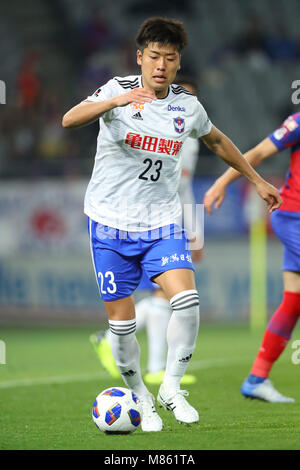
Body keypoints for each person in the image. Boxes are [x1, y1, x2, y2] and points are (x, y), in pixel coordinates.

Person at [62, 16, 282, 432]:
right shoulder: (116, 90)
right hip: (110, 224)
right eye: (155, 57)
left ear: (178, 63)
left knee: (187, 300)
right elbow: (69, 120)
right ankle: (140, 397)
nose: (161, 65)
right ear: (140, 58)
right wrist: (112, 104)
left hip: (162, 222)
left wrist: (256, 180)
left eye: (171, 58)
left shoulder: (187, 106)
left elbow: (216, 140)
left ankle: (171, 388)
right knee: (122, 326)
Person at [90, 76, 203, 386]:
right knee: (159, 297)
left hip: (170, 220)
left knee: (168, 297)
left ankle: (147, 362)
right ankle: (153, 366)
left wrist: (195, 230)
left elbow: (185, 188)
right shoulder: (151, 131)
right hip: (132, 220)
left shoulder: (187, 144)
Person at [203, 111, 300, 403]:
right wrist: (222, 182)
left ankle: (256, 379)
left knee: (293, 301)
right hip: (294, 217)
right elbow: (258, 152)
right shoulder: (299, 121)